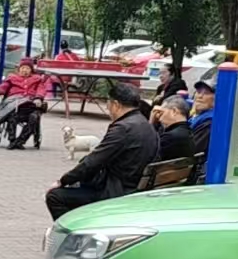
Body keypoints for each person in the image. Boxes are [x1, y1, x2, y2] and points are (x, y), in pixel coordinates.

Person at [44, 81, 159, 219]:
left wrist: (63, 181)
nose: (108, 108)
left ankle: (75, 236)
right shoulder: (144, 123)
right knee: (79, 182)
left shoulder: (123, 128)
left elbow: (93, 162)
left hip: (118, 191)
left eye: (108, 104)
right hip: (135, 185)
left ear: (116, 104)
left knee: (55, 196)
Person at [0, 58, 50, 149]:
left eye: (27, 68)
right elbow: (4, 86)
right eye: (22, 68)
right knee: (11, 116)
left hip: (31, 106)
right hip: (15, 105)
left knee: (34, 118)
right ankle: (12, 140)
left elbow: (41, 89)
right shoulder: (12, 78)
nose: (24, 70)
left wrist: (38, 98)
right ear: (19, 69)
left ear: (31, 70)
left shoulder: (37, 79)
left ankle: (20, 141)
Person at [154, 96, 194, 161]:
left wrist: (151, 122)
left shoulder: (169, 137)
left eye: (161, 112)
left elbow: (147, 156)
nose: (159, 118)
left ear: (174, 111)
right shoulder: (189, 133)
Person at [189, 79, 216, 154]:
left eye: (206, 93)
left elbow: (191, 150)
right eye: (198, 92)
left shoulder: (210, 122)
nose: (200, 96)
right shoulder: (196, 116)